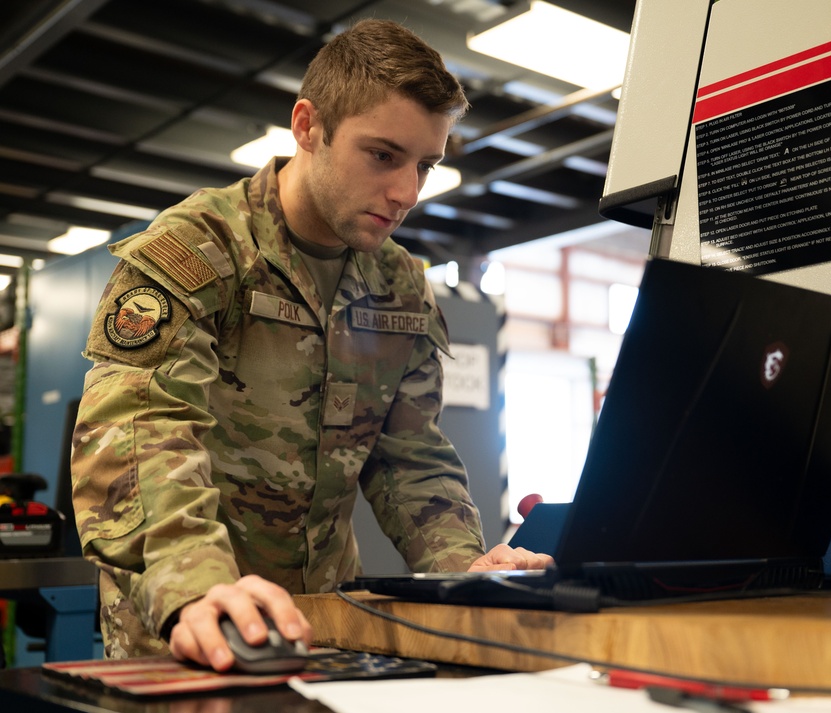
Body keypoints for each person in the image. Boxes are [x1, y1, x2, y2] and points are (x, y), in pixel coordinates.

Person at [70, 18, 553, 670]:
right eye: (383, 155)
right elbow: (139, 429)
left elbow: (410, 460)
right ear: (307, 126)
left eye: (426, 166)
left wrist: (464, 569)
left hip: (322, 624)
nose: (408, 192)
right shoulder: (198, 250)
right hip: (187, 620)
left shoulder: (401, 285)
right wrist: (195, 585)